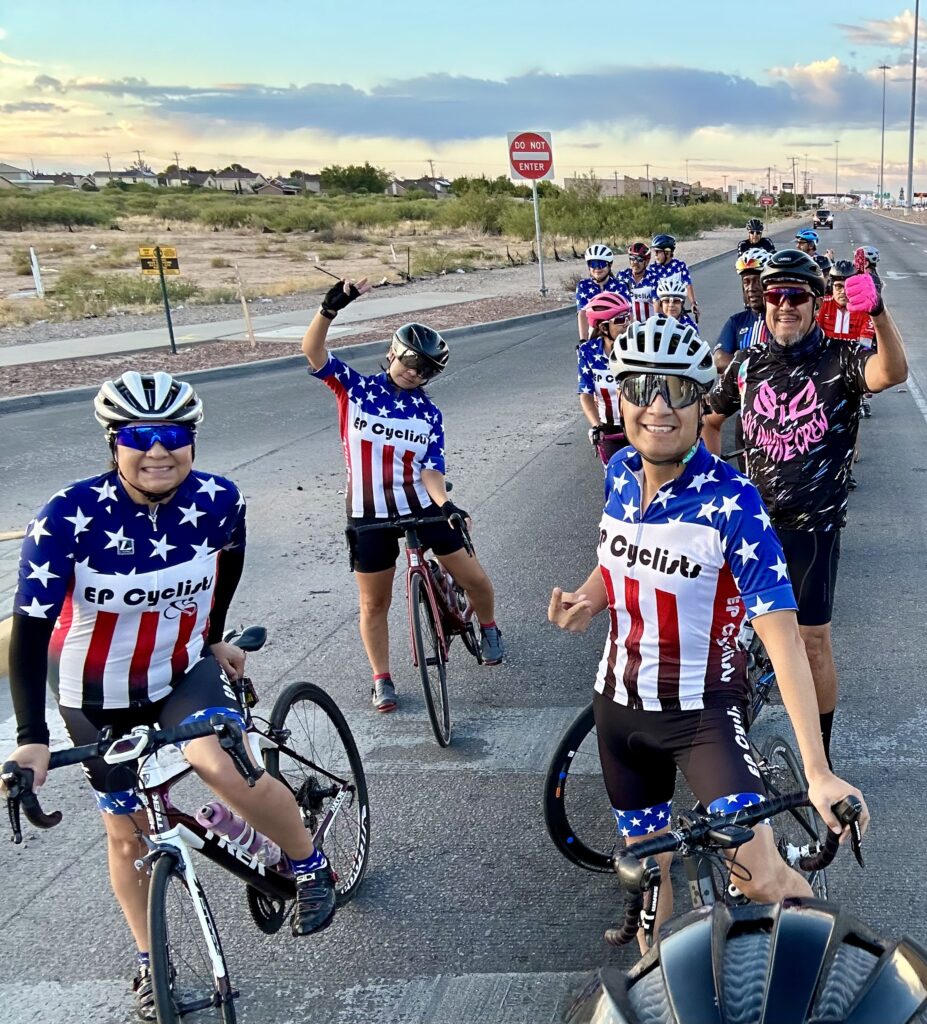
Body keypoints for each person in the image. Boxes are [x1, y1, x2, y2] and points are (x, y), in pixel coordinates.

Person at [2, 371, 336, 1020]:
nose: (159, 450)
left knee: (223, 770)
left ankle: (308, 862)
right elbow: (31, 629)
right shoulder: (67, 516)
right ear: (114, 442)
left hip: (180, 672)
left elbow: (226, 563)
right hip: (90, 691)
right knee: (124, 832)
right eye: (140, 436)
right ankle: (151, 961)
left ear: (192, 440)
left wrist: (213, 639)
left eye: (174, 435)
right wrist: (31, 739)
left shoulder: (217, 499)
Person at [548, 314, 868, 951]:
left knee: (761, 880)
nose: (658, 406)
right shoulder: (617, 472)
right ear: (621, 397)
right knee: (649, 879)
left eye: (679, 390)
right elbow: (620, 561)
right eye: (641, 389)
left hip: (701, 719)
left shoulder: (733, 500)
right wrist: (590, 595)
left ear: (703, 401)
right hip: (617, 712)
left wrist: (817, 770)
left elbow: (783, 637)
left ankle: (829, 982)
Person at [702, 250, 909, 767]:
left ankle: (822, 754)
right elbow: (709, 416)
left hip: (811, 528)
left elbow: (893, 372)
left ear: (815, 303)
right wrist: (709, 480)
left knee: (812, 642)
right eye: (776, 295)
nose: (785, 305)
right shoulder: (748, 364)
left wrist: (878, 313)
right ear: (764, 303)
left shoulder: (840, 360)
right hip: (749, 525)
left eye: (796, 295)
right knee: (720, 630)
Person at [302, 279, 504, 714]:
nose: (416, 372)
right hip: (367, 514)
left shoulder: (428, 412)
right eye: (412, 361)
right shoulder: (356, 389)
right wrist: (329, 309)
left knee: (476, 580)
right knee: (374, 602)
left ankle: (488, 627)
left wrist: (445, 504)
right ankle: (382, 679)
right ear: (393, 353)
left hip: (422, 507)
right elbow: (314, 353)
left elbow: (432, 468)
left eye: (428, 369)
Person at [817, 259, 878, 487]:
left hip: (851, 370)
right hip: (823, 368)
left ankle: (847, 469)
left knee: (848, 419)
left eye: (847, 286)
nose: (843, 292)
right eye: (838, 286)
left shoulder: (864, 310)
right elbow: (815, 338)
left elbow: (863, 346)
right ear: (831, 287)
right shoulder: (823, 306)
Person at [576, 291, 634, 463]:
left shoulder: (636, 346)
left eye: (628, 316)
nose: (627, 323)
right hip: (609, 428)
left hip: (638, 423)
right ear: (603, 327)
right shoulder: (587, 352)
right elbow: (585, 393)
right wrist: (596, 426)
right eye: (620, 320)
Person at [714, 249, 770, 374]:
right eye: (746, 282)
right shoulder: (736, 321)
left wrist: (737, 361)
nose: (751, 288)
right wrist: (753, 371)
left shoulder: (781, 320)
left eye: (757, 280)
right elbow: (719, 360)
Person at [575, 243, 630, 344]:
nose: (597, 268)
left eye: (602, 264)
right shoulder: (583, 286)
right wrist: (583, 340)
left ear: (609, 265)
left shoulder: (620, 285)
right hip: (593, 335)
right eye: (593, 264)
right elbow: (582, 313)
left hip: (617, 334)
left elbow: (629, 314)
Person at [650, 234, 699, 321]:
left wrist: (693, 303)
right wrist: (658, 317)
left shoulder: (680, 266)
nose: (655, 255)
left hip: (677, 310)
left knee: (693, 330)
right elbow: (654, 296)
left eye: (658, 252)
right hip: (660, 311)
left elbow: (688, 284)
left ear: (668, 252)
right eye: (654, 252)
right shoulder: (652, 269)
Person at [615, 241, 659, 322]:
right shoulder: (622, 275)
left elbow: (657, 304)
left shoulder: (653, 278)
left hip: (649, 325)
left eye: (639, 260)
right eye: (632, 259)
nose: (635, 263)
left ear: (646, 262)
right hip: (628, 325)